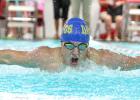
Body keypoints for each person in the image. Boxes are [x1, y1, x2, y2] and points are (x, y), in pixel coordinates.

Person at [0, 17, 140, 71]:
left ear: (88, 46)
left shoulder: (100, 59)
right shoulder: (45, 57)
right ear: (61, 43)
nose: (75, 52)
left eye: (82, 46)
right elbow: (9, 57)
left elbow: (132, 62)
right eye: (69, 45)